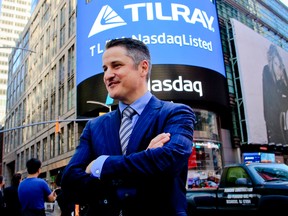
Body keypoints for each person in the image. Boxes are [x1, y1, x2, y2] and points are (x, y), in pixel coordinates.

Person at [61, 38, 196, 216]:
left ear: (143, 68)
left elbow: (169, 160)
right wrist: (147, 159)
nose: (107, 75)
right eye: (105, 68)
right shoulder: (94, 126)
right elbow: (70, 181)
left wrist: (100, 165)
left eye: (116, 66)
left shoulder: (176, 114)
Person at [262, 44, 288, 145]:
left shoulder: (283, 82)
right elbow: (267, 105)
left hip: (283, 129)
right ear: (272, 63)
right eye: (275, 64)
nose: (278, 68)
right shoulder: (267, 73)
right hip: (273, 129)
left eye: (279, 65)